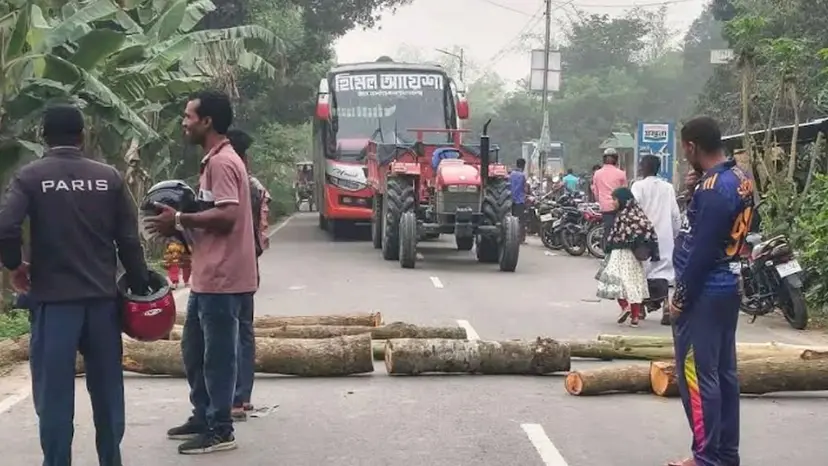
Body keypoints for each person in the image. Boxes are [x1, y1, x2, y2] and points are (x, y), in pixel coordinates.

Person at [0, 104, 150, 466]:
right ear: (82, 136)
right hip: (102, 303)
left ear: (43, 137)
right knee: (108, 393)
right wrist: (141, 285)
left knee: (54, 397)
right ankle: (110, 459)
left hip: (54, 304)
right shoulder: (108, 178)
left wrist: (14, 266)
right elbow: (128, 240)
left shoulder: (31, 177)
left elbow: (6, 227)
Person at [145, 90, 258, 455]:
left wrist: (178, 218)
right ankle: (203, 414)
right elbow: (212, 217)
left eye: (188, 115)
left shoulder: (224, 162)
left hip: (224, 279)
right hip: (208, 276)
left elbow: (227, 215)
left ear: (206, 121)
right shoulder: (213, 161)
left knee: (218, 356)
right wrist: (181, 226)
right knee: (193, 349)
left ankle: (220, 428)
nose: (184, 121)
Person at [668, 116, 753, 466]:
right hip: (728, 283)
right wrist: (694, 190)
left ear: (691, 146)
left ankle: (705, 458)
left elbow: (702, 248)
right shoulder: (740, 178)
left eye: (684, 148)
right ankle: (725, 453)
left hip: (704, 290)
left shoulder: (712, 188)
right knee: (723, 373)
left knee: (697, 377)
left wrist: (681, 295)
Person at [226, 129, 271, 421]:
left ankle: (232, 399)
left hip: (228, 267)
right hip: (250, 266)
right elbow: (262, 235)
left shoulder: (232, 182)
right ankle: (243, 396)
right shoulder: (254, 186)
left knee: (226, 333)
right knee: (244, 331)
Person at [595, 187, 659, 328]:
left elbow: (614, 236)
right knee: (633, 284)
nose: (613, 203)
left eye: (615, 199)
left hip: (620, 253)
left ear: (622, 200)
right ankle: (635, 318)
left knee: (615, 281)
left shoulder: (622, 215)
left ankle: (625, 307)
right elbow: (648, 231)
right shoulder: (638, 214)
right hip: (634, 257)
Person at [631, 155, 682, 326]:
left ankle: (641, 309)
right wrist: (675, 233)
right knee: (665, 273)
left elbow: (633, 209)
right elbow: (675, 214)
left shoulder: (638, 186)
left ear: (643, 168)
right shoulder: (668, 188)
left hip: (644, 236)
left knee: (641, 271)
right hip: (664, 235)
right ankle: (667, 305)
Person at [592, 148, 628, 247]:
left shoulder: (597, 173)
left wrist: (599, 200)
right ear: (616, 159)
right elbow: (624, 191)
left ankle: (606, 252)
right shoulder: (621, 173)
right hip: (619, 206)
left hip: (605, 207)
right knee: (620, 230)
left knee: (608, 230)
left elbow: (595, 192)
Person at [509, 158, 529, 243]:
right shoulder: (522, 176)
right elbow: (525, 189)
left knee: (512, 220)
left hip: (510, 200)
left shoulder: (511, 174)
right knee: (521, 221)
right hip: (519, 201)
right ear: (523, 166)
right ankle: (520, 239)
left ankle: (511, 237)